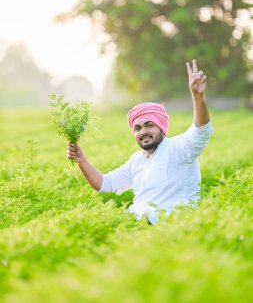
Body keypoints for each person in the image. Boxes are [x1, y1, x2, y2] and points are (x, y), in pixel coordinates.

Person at [67, 60, 213, 224]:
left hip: (172, 228)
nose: (143, 131)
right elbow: (104, 183)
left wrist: (197, 96)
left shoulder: (178, 149)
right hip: (136, 226)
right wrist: (82, 160)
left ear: (162, 127)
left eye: (149, 125)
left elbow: (201, 131)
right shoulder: (136, 160)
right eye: (137, 128)